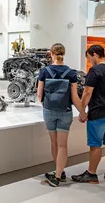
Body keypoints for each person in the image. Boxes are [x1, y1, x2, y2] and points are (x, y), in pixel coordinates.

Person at [72, 44, 105, 185]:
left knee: (95, 145)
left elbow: (87, 92)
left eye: (89, 58)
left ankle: (91, 174)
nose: (90, 62)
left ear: (94, 54)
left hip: (99, 112)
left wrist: (82, 111)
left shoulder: (95, 71)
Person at [37, 43, 86, 187]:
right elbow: (75, 97)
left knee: (54, 143)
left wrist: (45, 105)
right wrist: (83, 113)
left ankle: (59, 174)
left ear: (51, 54)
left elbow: (39, 95)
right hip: (65, 112)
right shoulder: (71, 73)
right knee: (63, 145)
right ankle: (59, 173)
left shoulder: (44, 71)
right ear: (63, 54)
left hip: (49, 111)